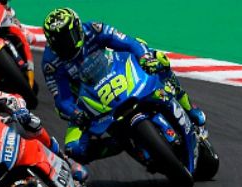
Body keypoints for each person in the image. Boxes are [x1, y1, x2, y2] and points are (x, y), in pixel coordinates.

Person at [41, 7, 206, 164]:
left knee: (159, 58)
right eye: (59, 41)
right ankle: (117, 143)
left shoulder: (93, 29)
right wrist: (75, 113)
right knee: (73, 149)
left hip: (115, 74)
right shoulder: (51, 63)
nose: (65, 44)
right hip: (89, 104)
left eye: (67, 37)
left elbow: (129, 42)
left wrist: (145, 58)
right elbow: (62, 100)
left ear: (77, 28)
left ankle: (189, 108)